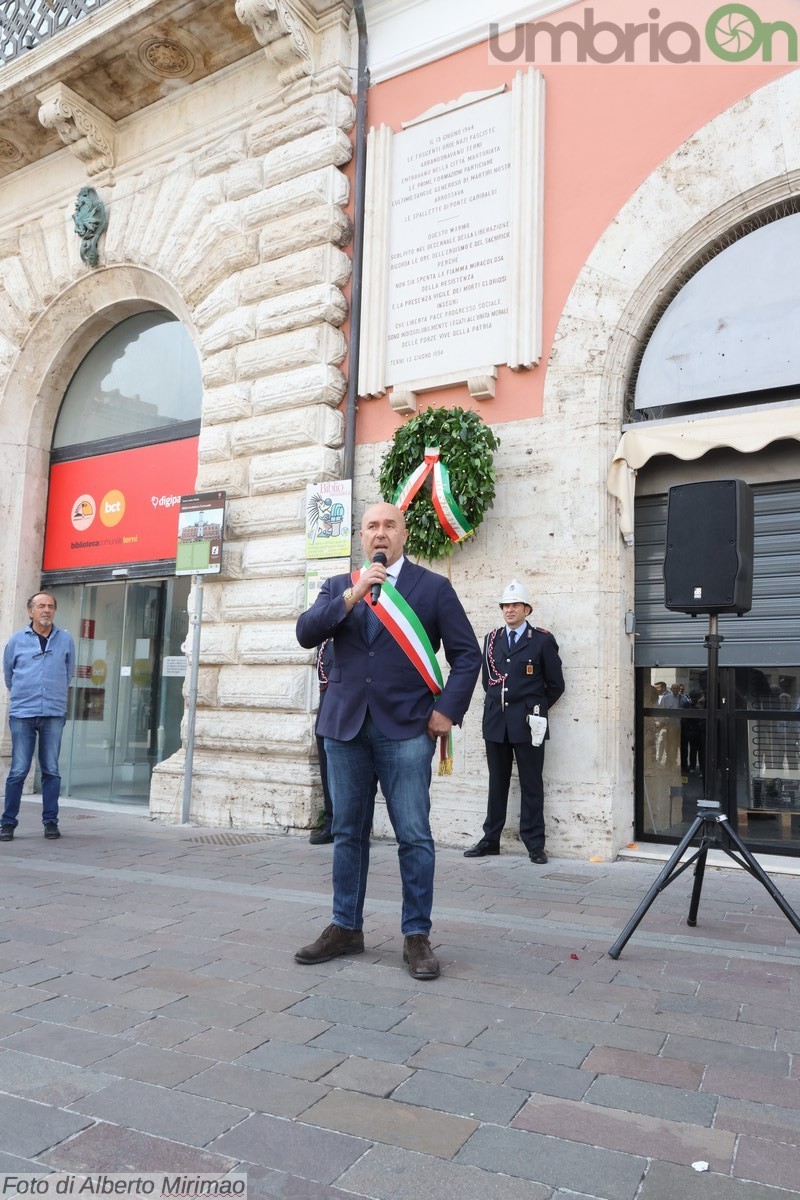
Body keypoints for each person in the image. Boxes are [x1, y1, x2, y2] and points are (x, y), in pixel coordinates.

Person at [294, 501, 481, 980]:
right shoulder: (338, 587)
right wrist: (354, 594)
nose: (381, 533)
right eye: (373, 526)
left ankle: (416, 935)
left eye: (390, 525)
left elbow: (466, 656)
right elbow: (306, 632)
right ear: (362, 536)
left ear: (403, 535)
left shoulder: (433, 588)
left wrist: (447, 711)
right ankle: (345, 927)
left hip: (407, 730)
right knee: (347, 834)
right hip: (345, 729)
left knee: (414, 837)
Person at [464, 579, 564, 864]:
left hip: (528, 723)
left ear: (526, 609)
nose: (509, 610)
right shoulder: (492, 639)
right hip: (496, 721)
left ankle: (534, 844)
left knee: (532, 783)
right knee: (497, 782)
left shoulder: (542, 640)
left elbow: (555, 685)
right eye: (505, 605)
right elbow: (488, 682)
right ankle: (490, 839)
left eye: (515, 605)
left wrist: (536, 711)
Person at [1, 592, 75, 841]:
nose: (46, 610)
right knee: (19, 770)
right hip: (22, 712)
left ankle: (51, 822)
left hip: (53, 712)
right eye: (41, 606)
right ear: (30, 611)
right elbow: (9, 674)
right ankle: (8, 823)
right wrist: (25, 694)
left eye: (51, 606)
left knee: (51, 769)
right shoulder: (16, 641)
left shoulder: (65, 639)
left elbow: (68, 673)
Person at [309, 641, 334, 844]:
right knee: (326, 762)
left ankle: (358, 824)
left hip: (349, 702)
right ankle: (331, 821)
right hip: (328, 702)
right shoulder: (325, 630)